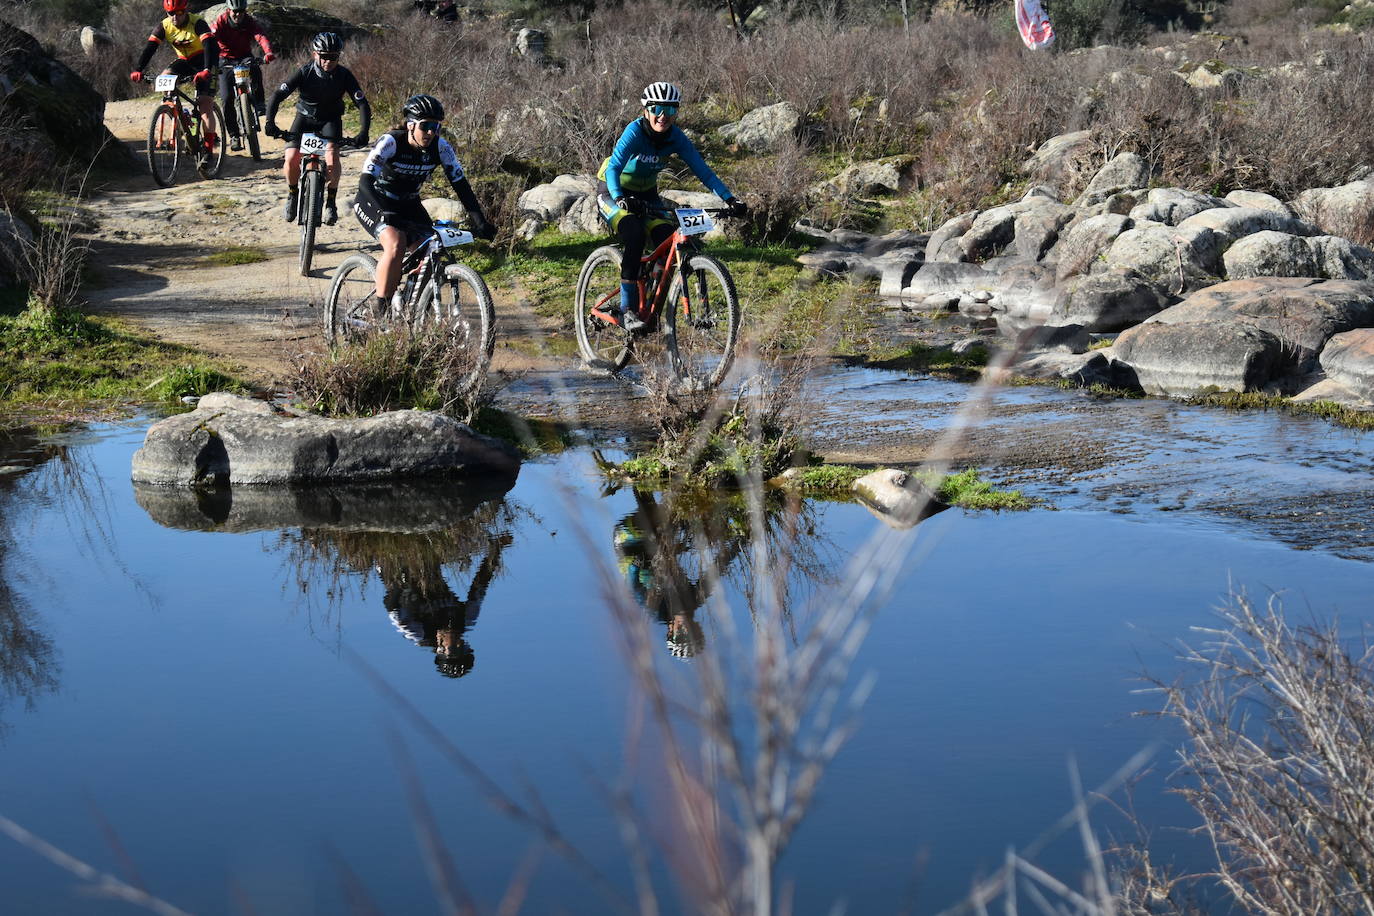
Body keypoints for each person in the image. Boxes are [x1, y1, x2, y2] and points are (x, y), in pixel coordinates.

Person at [597, 81, 747, 332]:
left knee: (669, 242)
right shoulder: (634, 132)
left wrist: (730, 199)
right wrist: (620, 197)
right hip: (614, 191)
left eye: (670, 110)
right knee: (634, 234)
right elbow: (613, 167)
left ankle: (652, 298)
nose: (662, 116)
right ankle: (627, 310)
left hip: (647, 196)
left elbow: (704, 173)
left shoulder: (676, 138)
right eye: (656, 108)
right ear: (646, 110)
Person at [352, 93, 494, 315]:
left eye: (436, 127)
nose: (431, 132)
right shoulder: (391, 141)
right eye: (425, 126)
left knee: (433, 249)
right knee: (395, 243)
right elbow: (365, 182)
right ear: (410, 125)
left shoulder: (441, 147)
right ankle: (382, 312)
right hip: (375, 200)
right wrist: (384, 213)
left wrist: (481, 222)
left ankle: (412, 304)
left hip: (409, 204)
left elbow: (461, 185)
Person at [263, 32, 371, 226]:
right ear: (315, 54)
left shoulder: (344, 75)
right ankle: (292, 194)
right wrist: (270, 122)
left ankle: (330, 201)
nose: (329, 61)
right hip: (304, 118)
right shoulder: (304, 72)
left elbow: (362, 104)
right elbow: (277, 96)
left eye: (334, 57)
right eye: (324, 56)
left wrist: (364, 132)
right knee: (291, 158)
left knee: (331, 157)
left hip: (330, 120)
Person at [129, 0, 219, 159]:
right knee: (165, 77)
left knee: (204, 104)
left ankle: (208, 149)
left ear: (185, 11)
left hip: (206, 60)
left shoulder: (197, 23)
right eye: (171, 13)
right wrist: (138, 70)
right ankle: (181, 114)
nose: (175, 17)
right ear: (166, 13)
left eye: (179, 13)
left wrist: (206, 70)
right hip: (184, 60)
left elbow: (209, 47)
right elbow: (150, 48)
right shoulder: (164, 26)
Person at [208, 0, 275, 151]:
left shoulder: (249, 21)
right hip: (225, 60)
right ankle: (234, 136)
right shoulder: (221, 21)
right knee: (226, 98)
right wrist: (209, 58)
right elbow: (211, 38)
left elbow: (260, 35)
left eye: (241, 11)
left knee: (256, 69)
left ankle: (259, 103)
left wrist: (268, 51)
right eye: (235, 11)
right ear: (229, 10)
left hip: (244, 57)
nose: (238, 15)